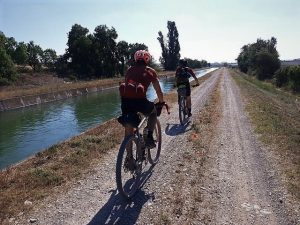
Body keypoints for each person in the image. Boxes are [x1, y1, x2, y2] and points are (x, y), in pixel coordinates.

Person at [118, 50, 165, 170]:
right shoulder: (150, 71)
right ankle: (148, 135)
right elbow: (158, 91)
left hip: (126, 103)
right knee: (153, 111)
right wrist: (161, 102)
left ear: (135, 59)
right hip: (141, 103)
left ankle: (129, 158)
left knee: (129, 128)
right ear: (147, 59)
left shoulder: (129, 70)